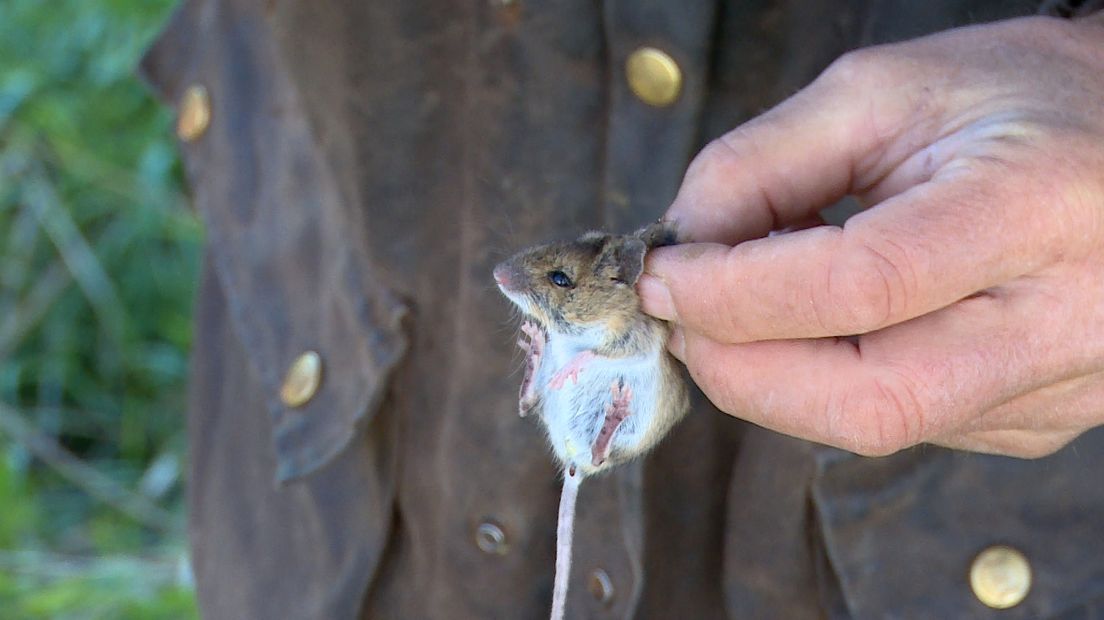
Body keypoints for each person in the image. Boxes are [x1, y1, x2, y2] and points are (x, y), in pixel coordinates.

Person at [141, 0, 1104, 618]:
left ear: (610, 278)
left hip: (959, 500)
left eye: (555, 283)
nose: (522, 283)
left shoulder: (627, 298)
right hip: (354, 406)